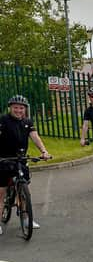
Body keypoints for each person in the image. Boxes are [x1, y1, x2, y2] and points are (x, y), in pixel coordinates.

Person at [0, 95, 51, 234]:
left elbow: (35, 137)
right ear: (10, 108)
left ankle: (26, 219)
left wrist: (44, 151)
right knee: (1, 192)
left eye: (21, 108)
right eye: (15, 107)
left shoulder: (27, 122)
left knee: (24, 190)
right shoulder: (3, 120)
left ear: (25, 109)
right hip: (4, 159)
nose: (18, 110)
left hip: (21, 159)